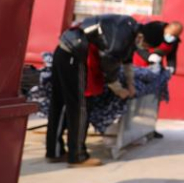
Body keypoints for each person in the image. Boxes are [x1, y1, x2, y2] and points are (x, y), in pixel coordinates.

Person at [45, 15, 166, 167]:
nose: (145, 49)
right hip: (76, 57)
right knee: (80, 107)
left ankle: (54, 152)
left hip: (64, 51)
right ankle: (77, 156)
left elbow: (127, 59)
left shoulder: (130, 27)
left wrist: (130, 84)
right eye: (146, 46)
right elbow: (109, 68)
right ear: (141, 37)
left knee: (60, 103)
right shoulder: (121, 39)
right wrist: (118, 89)